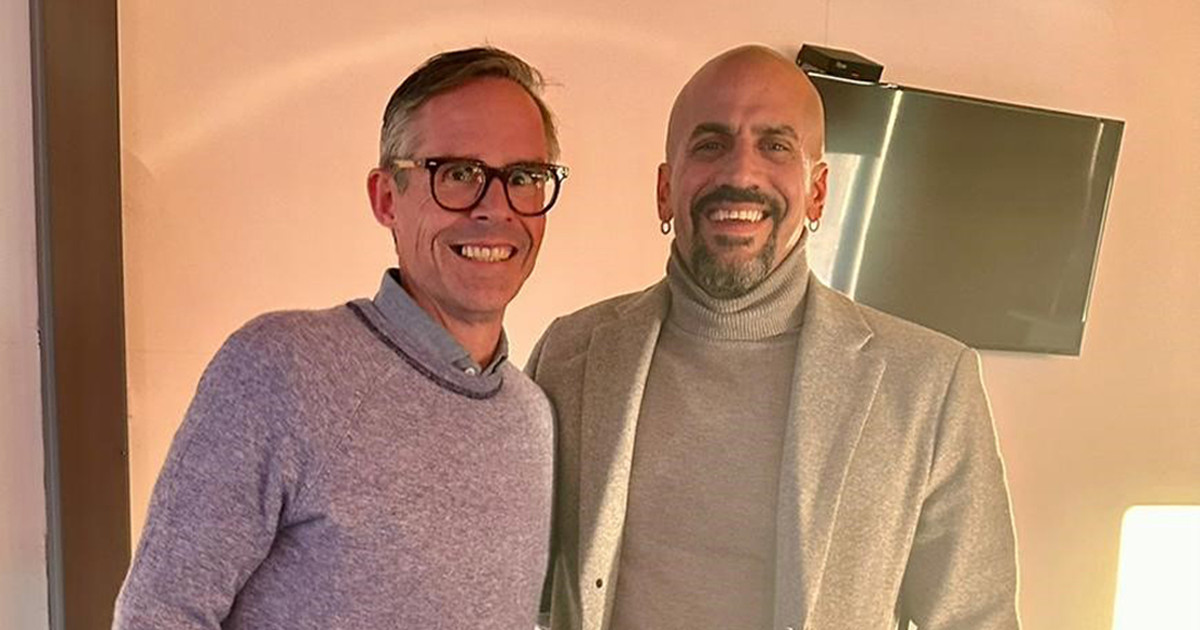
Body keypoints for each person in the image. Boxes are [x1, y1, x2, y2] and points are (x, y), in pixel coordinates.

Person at [527, 45, 1020, 630]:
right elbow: (518, 589)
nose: (740, 174)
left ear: (818, 192)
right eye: (710, 145)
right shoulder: (571, 355)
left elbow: (976, 620)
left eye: (776, 146)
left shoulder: (929, 385)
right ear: (664, 189)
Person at [114, 46, 569, 629]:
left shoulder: (532, 417)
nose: (494, 208)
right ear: (387, 198)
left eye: (524, 178)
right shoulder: (282, 371)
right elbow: (158, 615)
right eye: (458, 174)